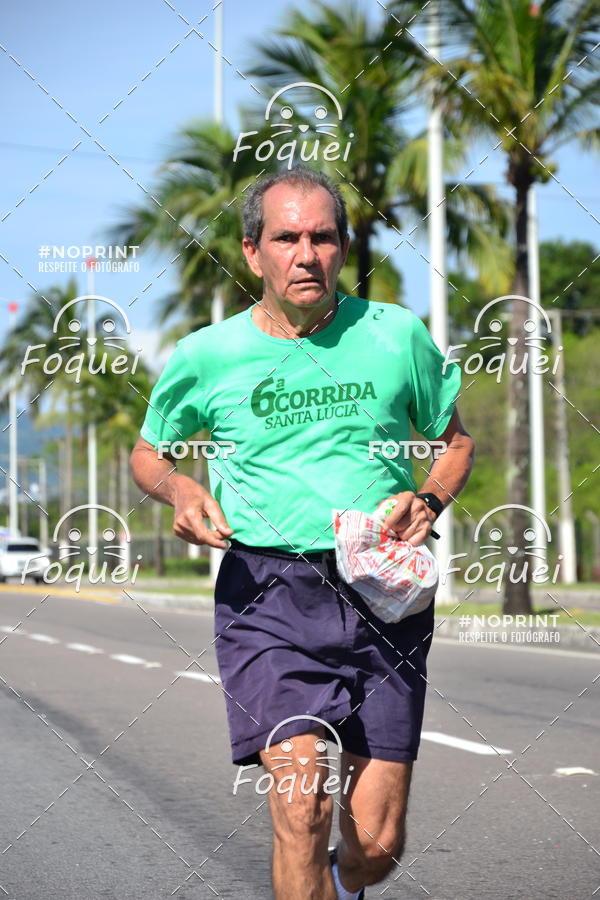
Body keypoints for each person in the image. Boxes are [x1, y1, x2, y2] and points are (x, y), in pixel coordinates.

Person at [130, 166, 474, 900]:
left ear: (344, 247)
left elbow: (456, 442)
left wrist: (430, 499)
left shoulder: (393, 336)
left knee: (378, 842)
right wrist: (182, 486)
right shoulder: (206, 355)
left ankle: (344, 887)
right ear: (253, 252)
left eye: (322, 237)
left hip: (384, 593)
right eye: (287, 238)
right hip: (268, 596)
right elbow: (149, 453)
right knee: (301, 801)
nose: (306, 253)